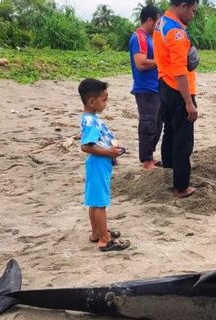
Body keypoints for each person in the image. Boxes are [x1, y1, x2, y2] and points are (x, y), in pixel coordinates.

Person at [153, 0, 199, 198]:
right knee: (183, 138)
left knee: (170, 130)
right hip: (178, 88)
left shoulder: (161, 23)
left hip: (164, 83)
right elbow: (180, 71)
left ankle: (169, 168)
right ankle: (181, 186)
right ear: (183, 6)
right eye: (193, 11)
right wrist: (188, 102)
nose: (193, 15)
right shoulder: (177, 32)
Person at [79, 79, 130, 252]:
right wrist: (110, 152)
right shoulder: (91, 122)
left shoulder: (90, 118)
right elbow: (86, 146)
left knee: (94, 201)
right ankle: (104, 240)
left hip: (98, 164)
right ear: (92, 101)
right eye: (104, 99)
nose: (106, 103)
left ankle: (96, 233)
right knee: (100, 202)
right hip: (99, 163)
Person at [129, 5, 163, 171]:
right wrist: (163, 60)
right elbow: (141, 63)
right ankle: (146, 160)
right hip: (145, 89)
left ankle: (150, 155)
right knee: (148, 124)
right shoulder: (139, 37)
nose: (159, 26)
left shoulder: (151, 37)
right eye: (157, 22)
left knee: (157, 125)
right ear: (150, 20)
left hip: (156, 88)